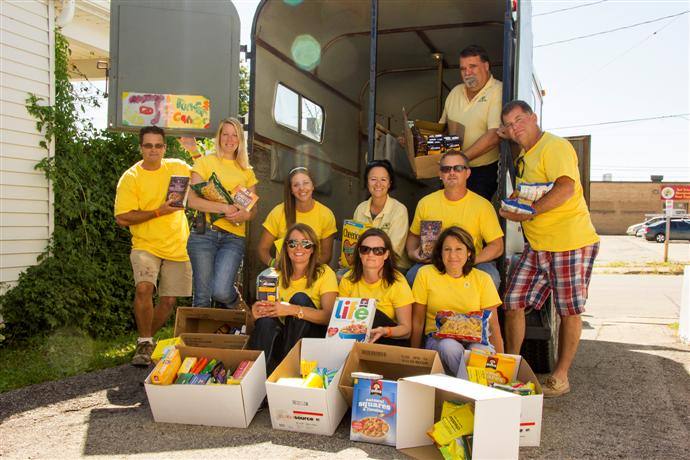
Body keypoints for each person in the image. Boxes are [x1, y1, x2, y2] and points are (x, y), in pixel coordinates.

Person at [499, 100, 600, 398]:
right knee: (513, 301)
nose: (516, 128)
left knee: (569, 310)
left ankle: (560, 376)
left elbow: (566, 188)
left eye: (520, 121)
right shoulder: (525, 156)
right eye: (510, 125)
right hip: (538, 245)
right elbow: (531, 192)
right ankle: (512, 364)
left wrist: (529, 213)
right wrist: (514, 205)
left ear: (534, 117)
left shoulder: (554, 147)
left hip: (569, 242)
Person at [114, 126, 192, 366]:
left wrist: (195, 152)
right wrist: (160, 211)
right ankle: (145, 340)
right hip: (145, 245)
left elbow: (206, 176)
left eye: (158, 145)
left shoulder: (178, 167)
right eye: (148, 145)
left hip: (179, 245)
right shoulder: (131, 177)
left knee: (168, 301)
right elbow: (122, 217)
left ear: (165, 148)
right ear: (141, 148)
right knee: (144, 288)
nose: (154, 150)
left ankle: (145, 341)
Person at [411, 226, 503, 378]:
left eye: (459, 249)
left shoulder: (482, 279)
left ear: (469, 253)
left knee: (479, 352)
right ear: (440, 252)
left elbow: (493, 325)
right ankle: (471, 390)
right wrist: (414, 357)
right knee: (450, 347)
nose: (452, 255)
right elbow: (418, 320)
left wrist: (502, 360)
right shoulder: (425, 274)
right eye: (447, 249)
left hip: (477, 338)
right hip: (438, 340)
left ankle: (464, 388)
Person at [405, 150, 504, 288]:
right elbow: (413, 236)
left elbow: (497, 246)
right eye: (446, 169)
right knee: (412, 276)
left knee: (491, 278)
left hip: (471, 261)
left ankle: (482, 311)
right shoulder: (426, 203)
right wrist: (413, 253)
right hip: (436, 261)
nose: (452, 172)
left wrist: (471, 260)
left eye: (458, 168)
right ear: (440, 174)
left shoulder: (482, 205)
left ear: (467, 173)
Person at [248, 223, 338, 374]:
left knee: (300, 299)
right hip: (282, 341)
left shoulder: (324, 272)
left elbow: (329, 317)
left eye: (306, 244)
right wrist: (255, 315)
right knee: (265, 322)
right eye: (292, 243)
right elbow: (256, 323)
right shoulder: (273, 275)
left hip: (311, 342)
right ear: (286, 248)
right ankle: (256, 380)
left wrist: (292, 310)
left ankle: (289, 370)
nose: (299, 248)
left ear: (313, 249)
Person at [186, 118, 258, 308]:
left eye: (235, 135)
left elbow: (252, 211)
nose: (230, 139)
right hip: (204, 234)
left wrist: (243, 215)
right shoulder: (204, 162)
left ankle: (237, 304)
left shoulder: (247, 171)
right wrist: (225, 208)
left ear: (240, 140)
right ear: (218, 137)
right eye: (225, 134)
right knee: (202, 296)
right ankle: (200, 338)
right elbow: (192, 201)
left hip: (233, 238)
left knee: (220, 291)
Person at [439, 44, 503, 201]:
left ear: (486, 66)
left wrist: (460, 159)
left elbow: (494, 135)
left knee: (471, 216)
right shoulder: (455, 92)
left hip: (482, 171)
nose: (467, 72)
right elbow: (441, 129)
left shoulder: (498, 90)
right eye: (462, 69)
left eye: (472, 66)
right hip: (452, 170)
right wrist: (415, 141)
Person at [339, 228, 414, 346]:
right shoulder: (348, 279)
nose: (370, 254)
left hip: (388, 341)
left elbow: (406, 330)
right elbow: (340, 320)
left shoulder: (397, 282)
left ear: (386, 254)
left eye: (378, 250)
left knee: (372, 313)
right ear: (359, 253)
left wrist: (385, 331)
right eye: (365, 249)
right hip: (354, 338)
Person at [258, 167, 337, 268]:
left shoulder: (326, 214)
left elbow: (326, 255)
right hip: (284, 274)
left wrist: (308, 269)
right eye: (296, 185)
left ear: (313, 185)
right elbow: (262, 249)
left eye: (306, 183)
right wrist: (274, 263)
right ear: (291, 190)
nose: (302, 188)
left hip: (312, 273)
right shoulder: (278, 212)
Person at [351, 159, 410, 270]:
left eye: (383, 179)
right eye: (373, 179)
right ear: (367, 182)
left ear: (389, 183)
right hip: (364, 264)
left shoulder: (399, 210)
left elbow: (394, 252)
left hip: (393, 267)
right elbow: (355, 243)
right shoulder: (360, 208)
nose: (378, 184)